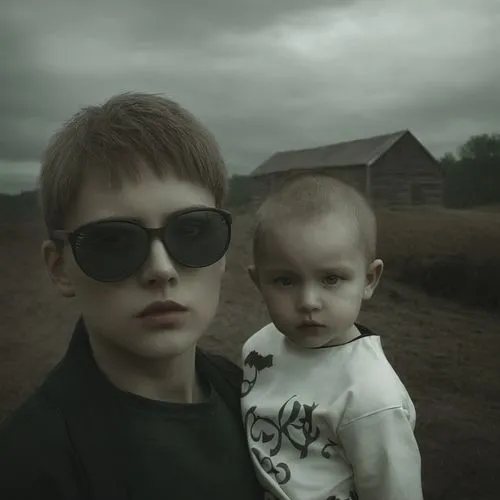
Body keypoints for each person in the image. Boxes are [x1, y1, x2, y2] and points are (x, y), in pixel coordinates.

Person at [0, 92, 265, 500]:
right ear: (60, 268)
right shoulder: (31, 468)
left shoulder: (254, 397)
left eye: (193, 232)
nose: (161, 269)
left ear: (224, 252)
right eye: (113, 241)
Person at [241, 173, 423, 500]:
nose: (309, 301)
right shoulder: (258, 349)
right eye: (285, 281)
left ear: (369, 279)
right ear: (259, 283)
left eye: (331, 279)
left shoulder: (371, 398)